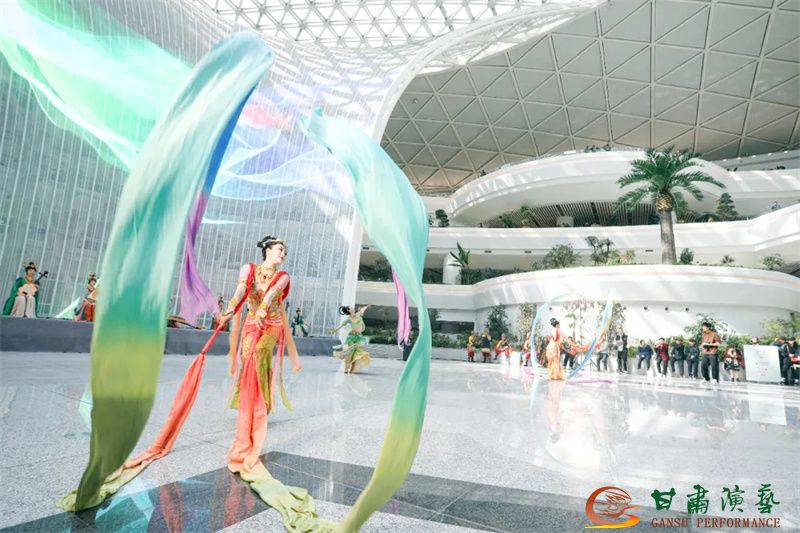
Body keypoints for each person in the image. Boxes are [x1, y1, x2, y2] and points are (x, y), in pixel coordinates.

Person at [218, 235, 302, 408]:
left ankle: (262, 403)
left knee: (260, 351)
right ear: (268, 250)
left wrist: (262, 312)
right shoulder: (248, 268)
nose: (283, 254)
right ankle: (246, 399)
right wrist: (229, 310)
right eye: (280, 250)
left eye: (285, 252)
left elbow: (271, 295)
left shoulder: (283, 276)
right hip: (251, 321)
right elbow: (241, 289)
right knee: (247, 356)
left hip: (272, 323)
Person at [329, 305, 371, 374]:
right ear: (349, 310)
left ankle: (353, 369)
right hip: (351, 337)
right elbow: (342, 325)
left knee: (357, 354)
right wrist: (334, 330)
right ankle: (346, 368)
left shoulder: (358, 314)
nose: (353, 308)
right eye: (351, 308)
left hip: (359, 337)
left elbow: (362, 310)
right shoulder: (349, 319)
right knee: (350, 353)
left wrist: (366, 306)